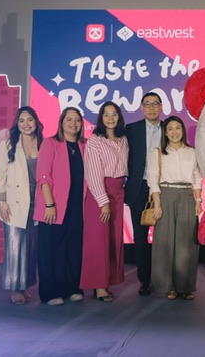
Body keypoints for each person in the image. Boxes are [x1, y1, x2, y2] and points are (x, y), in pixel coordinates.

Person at [0, 106, 43, 305]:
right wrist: (1, 202)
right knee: (15, 246)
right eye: (22, 120)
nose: (26, 124)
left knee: (31, 247)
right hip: (13, 203)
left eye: (30, 119)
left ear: (36, 122)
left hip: (37, 203)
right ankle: (15, 288)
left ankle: (25, 285)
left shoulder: (44, 144)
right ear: (16, 124)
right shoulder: (8, 145)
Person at [34, 107, 86, 306]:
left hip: (77, 206)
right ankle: (50, 292)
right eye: (69, 119)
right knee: (50, 249)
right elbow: (43, 176)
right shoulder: (50, 143)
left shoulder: (84, 145)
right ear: (62, 123)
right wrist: (49, 204)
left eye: (77, 120)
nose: (73, 123)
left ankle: (72, 288)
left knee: (73, 249)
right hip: (53, 205)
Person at [147, 116, 203, 300]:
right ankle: (168, 286)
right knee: (165, 243)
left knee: (187, 244)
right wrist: (157, 204)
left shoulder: (192, 152)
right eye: (170, 129)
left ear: (182, 130)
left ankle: (185, 286)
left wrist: (198, 200)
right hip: (166, 195)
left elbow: (197, 176)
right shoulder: (157, 153)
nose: (174, 132)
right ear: (165, 132)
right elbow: (153, 179)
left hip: (187, 196)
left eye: (177, 128)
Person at [80, 102, 128, 302]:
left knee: (113, 239)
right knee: (99, 240)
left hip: (118, 192)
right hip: (100, 193)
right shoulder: (95, 140)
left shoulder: (123, 139)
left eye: (114, 114)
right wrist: (103, 201)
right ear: (101, 118)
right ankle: (99, 286)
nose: (110, 118)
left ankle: (107, 281)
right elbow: (92, 173)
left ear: (119, 117)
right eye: (106, 114)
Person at [125, 92, 163, 296]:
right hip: (138, 187)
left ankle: (163, 277)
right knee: (140, 238)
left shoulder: (169, 128)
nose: (151, 107)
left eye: (155, 104)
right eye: (147, 104)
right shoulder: (131, 129)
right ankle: (145, 280)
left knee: (164, 236)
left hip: (163, 187)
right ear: (141, 107)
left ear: (161, 107)